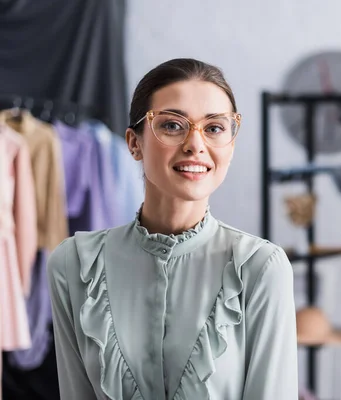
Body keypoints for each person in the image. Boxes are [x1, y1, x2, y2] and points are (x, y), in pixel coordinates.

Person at [47, 58, 299, 399]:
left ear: (231, 145)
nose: (195, 144)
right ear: (134, 143)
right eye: (172, 125)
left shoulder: (260, 267)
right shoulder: (76, 264)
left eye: (213, 128)